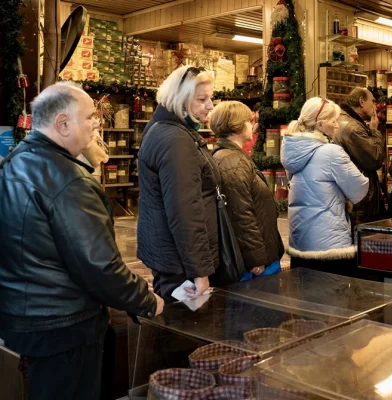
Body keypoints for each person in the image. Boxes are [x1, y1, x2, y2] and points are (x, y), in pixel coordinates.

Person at [0, 82, 163, 400]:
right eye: (89, 117)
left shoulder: (14, 163)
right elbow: (100, 266)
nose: (97, 123)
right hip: (65, 329)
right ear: (62, 123)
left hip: (20, 321)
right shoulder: (71, 182)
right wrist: (145, 300)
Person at [137, 66, 218, 301]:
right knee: (188, 328)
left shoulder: (165, 130)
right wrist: (200, 271)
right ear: (180, 100)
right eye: (202, 99)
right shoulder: (176, 140)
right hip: (180, 265)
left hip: (172, 257)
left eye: (210, 98)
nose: (210, 105)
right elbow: (185, 212)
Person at [281, 97, 369, 276]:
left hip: (300, 242)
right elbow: (359, 190)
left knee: (306, 299)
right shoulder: (331, 152)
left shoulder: (293, 152)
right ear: (320, 125)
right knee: (334, 301)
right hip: (330, 246)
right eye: (333, 120)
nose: (337, 125)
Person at [210, 101, 285, 279]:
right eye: (248, 121)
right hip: (254, 266)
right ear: (236, 125)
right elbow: (240, 213)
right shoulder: (232, 161)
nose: (252, 125)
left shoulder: (232, 156)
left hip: (256, 257)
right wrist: (256, 257)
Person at [335, 88, 385, 227]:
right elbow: (375, 159)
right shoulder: (353, 127)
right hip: (360, 200)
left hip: (355, 195)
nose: (375, 106)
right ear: (361, 102)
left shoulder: (346, 120)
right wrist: (374, 131)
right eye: (373, 101)